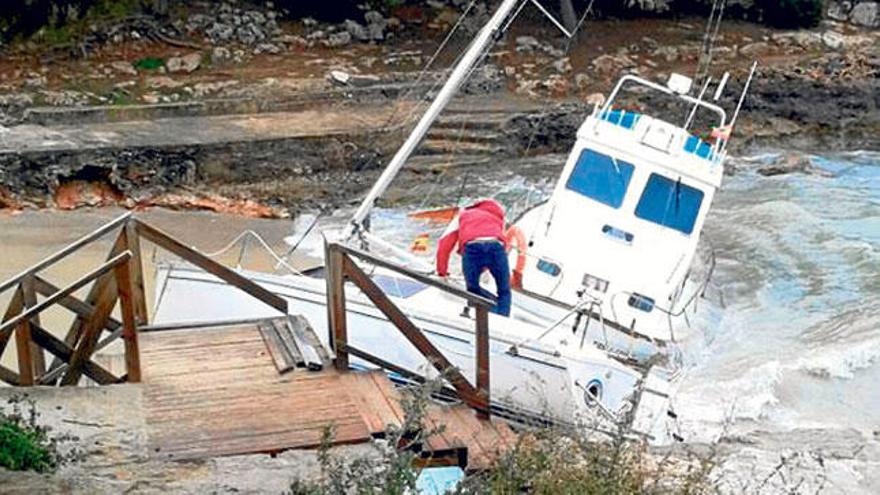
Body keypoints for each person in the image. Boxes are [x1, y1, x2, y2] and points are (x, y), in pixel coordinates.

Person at [435, 199, 511, 317]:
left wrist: (442, 272)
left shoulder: (463, 214)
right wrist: (487, 265)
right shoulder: (498, 218)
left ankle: (477, 317)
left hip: (473, 247)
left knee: (472, 290)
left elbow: (444, 244)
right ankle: (503, 318)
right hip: (497, 247)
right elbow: (504, 243)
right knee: (504, 290)